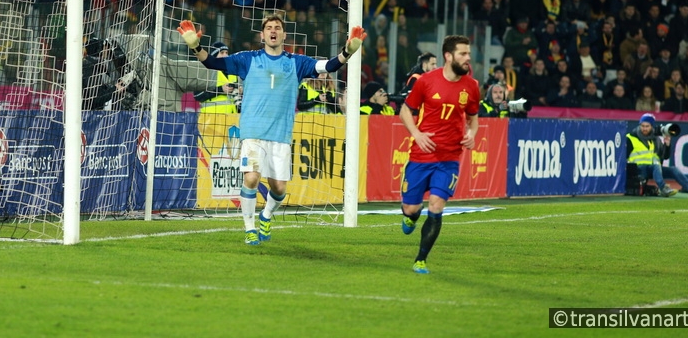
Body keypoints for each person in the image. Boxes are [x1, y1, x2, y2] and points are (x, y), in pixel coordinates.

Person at [177, 15, 367, 245]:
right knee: (252, 177)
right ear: (262, 35)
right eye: (269, 28)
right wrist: (195, 46)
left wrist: (347, 52)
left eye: (278, 28)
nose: (273, 31)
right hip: (253, 133)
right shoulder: (248, 59)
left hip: (280, 136)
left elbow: (327, 66)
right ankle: (249, 228)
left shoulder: (296, 62)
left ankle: (266, 215)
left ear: (284, 35)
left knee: (279, 188)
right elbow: (211, 62)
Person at [399, 35, 480, 274]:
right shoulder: (426, 81)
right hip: (421, 156)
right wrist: (417, 134)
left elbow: (473, 119)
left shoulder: (472, 86)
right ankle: (410, 217)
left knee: (436, 205)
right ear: (448, 56)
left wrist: (472, 134)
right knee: (411, 209)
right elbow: (406, 110)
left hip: (449, 158)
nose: (468, 58)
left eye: (468, 54)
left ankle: (421, 259)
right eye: (463, 54)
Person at [626, 113, 688, 198]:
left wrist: (667, 144)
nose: (644, 129)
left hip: (652, 169)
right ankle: (663, 188)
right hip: (637, 169)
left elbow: (665, 157)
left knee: (673, 169)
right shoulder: (631, 138)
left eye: (647, 126)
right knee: (656, 166)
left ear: (652, 127)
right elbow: (623, 158)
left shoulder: (655, 139)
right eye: (642, 126)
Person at [193, 42, 240, 114]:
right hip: (210, 118)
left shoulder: (233, 72)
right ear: (214, 56)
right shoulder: (206, 72)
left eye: (226, 52)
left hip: (231, 117)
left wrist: (240, 90)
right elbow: (197, 95)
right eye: (222, 53)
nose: (225, 55)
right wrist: (220, 89)